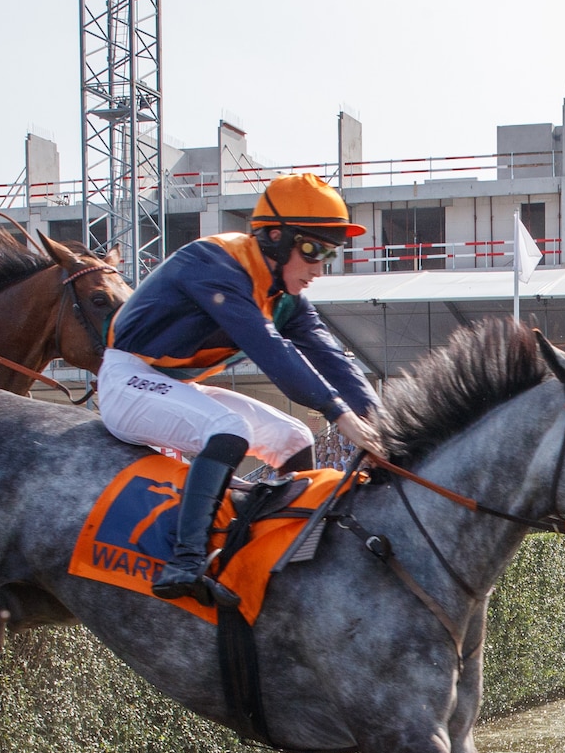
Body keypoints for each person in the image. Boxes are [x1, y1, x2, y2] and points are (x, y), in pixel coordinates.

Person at [98, 172, 387, 604]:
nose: (318, 266)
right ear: (274, 236)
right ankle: (185, 560)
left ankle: (293, 543)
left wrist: (384, 424)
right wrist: (339, 414)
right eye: (311, 249)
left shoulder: (285, 297)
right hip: (126, 380)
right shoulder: (214, 264)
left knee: (295, 437)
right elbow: (270, 351)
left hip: (173, 386)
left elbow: (334, 360)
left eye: (328, 252)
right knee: (229, 430)